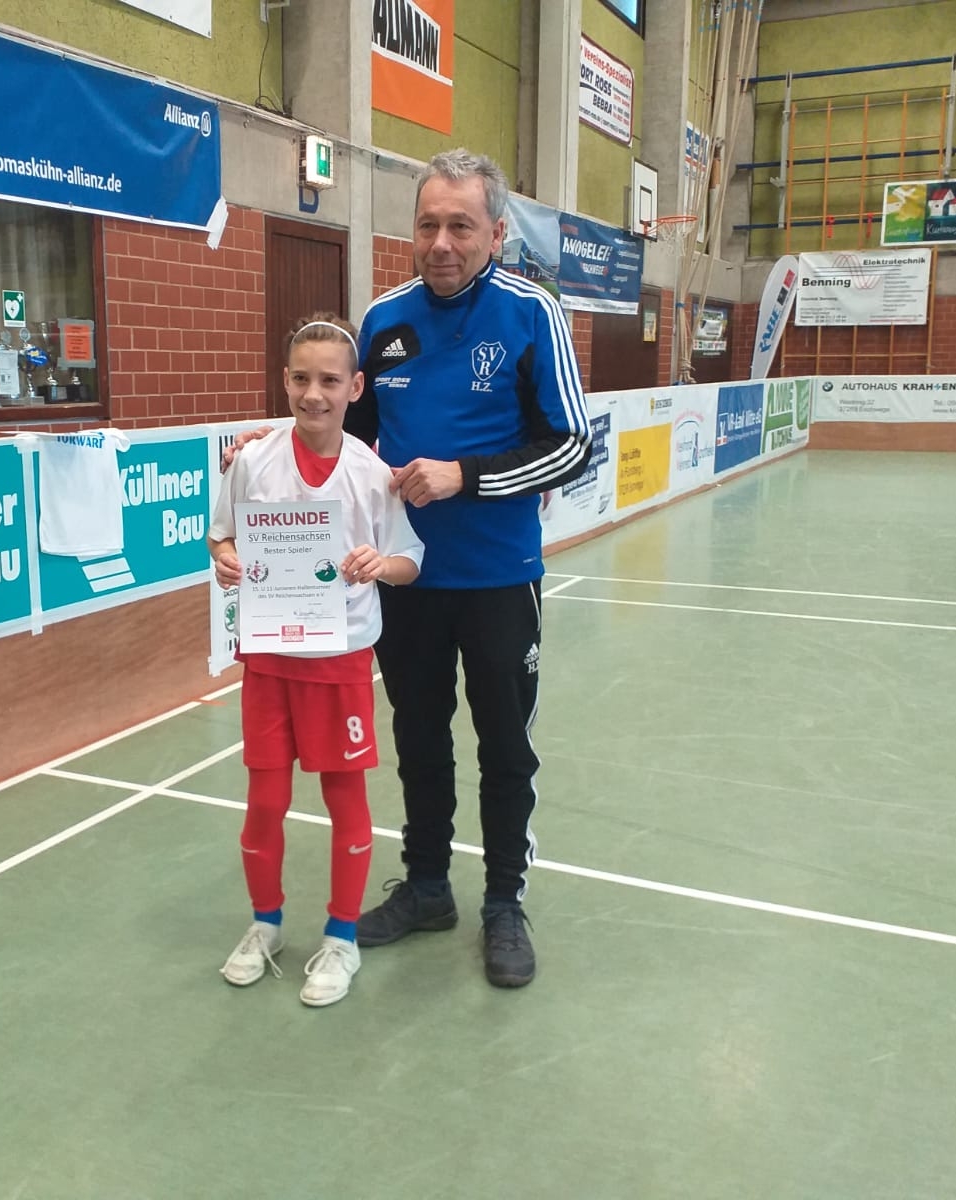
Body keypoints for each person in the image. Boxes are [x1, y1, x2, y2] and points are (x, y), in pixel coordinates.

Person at [350, 148, 592, 988]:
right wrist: (265, 458)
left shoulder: (530, 312)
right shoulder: (383, 320)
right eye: (428, 225)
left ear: (495, 232)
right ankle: (426, 888)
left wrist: (467, 476)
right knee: (419, 740)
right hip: (407, 580)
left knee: (504, 748)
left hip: (498, 578)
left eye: (461, 225)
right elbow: (347, 443)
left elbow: (573, 444)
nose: (442, 243)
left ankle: (503, 902)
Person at [208, 313, 424, 1008]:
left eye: (330, 381)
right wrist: (226, 560)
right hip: (270, 658)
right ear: (284, 381)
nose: (313, 394)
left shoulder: (373, 475)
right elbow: (220, 537)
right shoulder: (252, 461)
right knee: (265, 802)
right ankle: (265, 924)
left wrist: (380, 564)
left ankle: (341, 937)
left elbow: (411, 560)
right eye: (301, 378)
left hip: (339, 662)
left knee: (344, 800)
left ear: (355, 388)